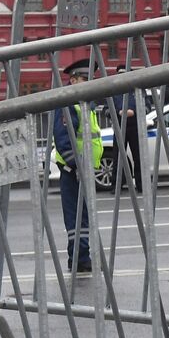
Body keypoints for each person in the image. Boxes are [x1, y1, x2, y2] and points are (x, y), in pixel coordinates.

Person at [52, 59, 102, 273]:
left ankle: (81, 256)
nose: (90, 83)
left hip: (85, 169)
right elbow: (64, 139)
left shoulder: (84, 104)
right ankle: (79, 258)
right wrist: (77, 165)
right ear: (73, 80)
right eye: (85, 79)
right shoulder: (69, 103)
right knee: (76, 218)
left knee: (83, 217)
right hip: (74, 170)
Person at [112, 66, 143, 191]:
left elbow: (146, 107)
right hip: (120, 127)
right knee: (118, 157)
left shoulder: (136, 90)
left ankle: (141, 185)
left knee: (138, 157)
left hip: (135, 127)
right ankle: (117, 185)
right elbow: (106, 109)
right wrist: (117, 113)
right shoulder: (113, 91)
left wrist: (134, 111)